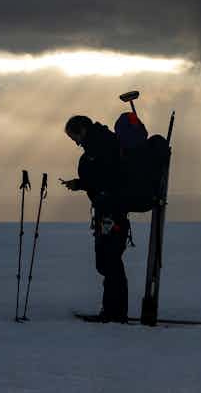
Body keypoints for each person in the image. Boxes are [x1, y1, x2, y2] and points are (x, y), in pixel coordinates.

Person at [61, 115, 130, 323]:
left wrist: (81, 184)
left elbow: (105, 177)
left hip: (111, 210)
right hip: (108, 210)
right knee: (108, 261)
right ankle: (113, 311)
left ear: (82, 129)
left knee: (109, 260)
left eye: (75, 137)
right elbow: (100, 177)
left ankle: (114, 313)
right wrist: (81, 183)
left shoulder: (101, 144)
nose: (76, 142)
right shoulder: (101, 142)